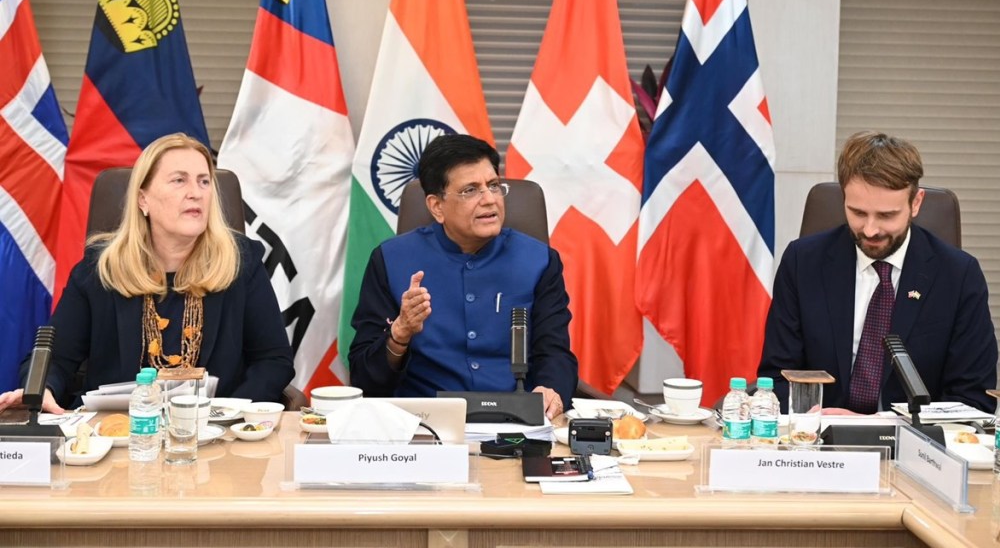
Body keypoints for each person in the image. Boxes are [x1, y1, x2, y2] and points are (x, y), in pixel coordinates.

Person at [0, 133, 294, 414]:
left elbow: (273, 360)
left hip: (216, 433)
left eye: (204, 181)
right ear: (143, 200)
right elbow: (54, 358)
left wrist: (228, 415)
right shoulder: (100, 269)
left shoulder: (241, 262)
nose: (196, 193)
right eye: (179, 180)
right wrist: (43, 388)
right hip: (119, 432)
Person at [758, 131, 997, 414]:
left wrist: (878, 425)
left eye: (886, 215)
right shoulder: (803, 262)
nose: (870, 230)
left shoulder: (958, 276)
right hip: (820, 435)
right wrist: (817, 420)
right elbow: (777, 378)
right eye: (858, 213)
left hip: (913, 440)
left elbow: (972, 399)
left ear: (916, 203)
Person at [348, 134, 577, 419]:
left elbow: (554, 352)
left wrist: (550, 388)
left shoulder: (539, 261)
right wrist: (400, 333)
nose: (489, 200)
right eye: (471, 190)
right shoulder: (391, 260)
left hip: (514, 422)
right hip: (424, 423)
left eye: (494, 186)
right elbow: (364, 377)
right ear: (436, 206)